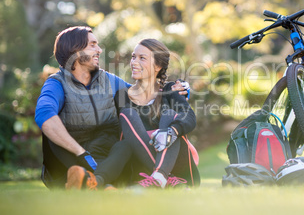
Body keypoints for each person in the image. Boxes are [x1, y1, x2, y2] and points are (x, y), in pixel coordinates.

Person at [35, 26, 188, 189]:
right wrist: (81, 153)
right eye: (93, 45)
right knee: (51, 131)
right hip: (70, 158)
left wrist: (174, 91)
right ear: (76, 50)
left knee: (125, 144)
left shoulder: (108, 80)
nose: (99, 50)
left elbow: (143, 94)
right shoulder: (57, 83)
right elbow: (44, 115)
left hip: (105, 159)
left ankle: (95, 183)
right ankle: (80, 179)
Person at [115, 38, 200, 188]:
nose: (134, 62)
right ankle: (162, 178)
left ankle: (159, 176)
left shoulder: (170, 90)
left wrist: (171, 132)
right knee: (127, 115)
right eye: (133, 57)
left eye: (142, 58)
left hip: (179, 170)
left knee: (170, 116)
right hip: (142, 173)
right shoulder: (122, 96)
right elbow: (126, 134)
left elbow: (189, 117)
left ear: (158, 66)